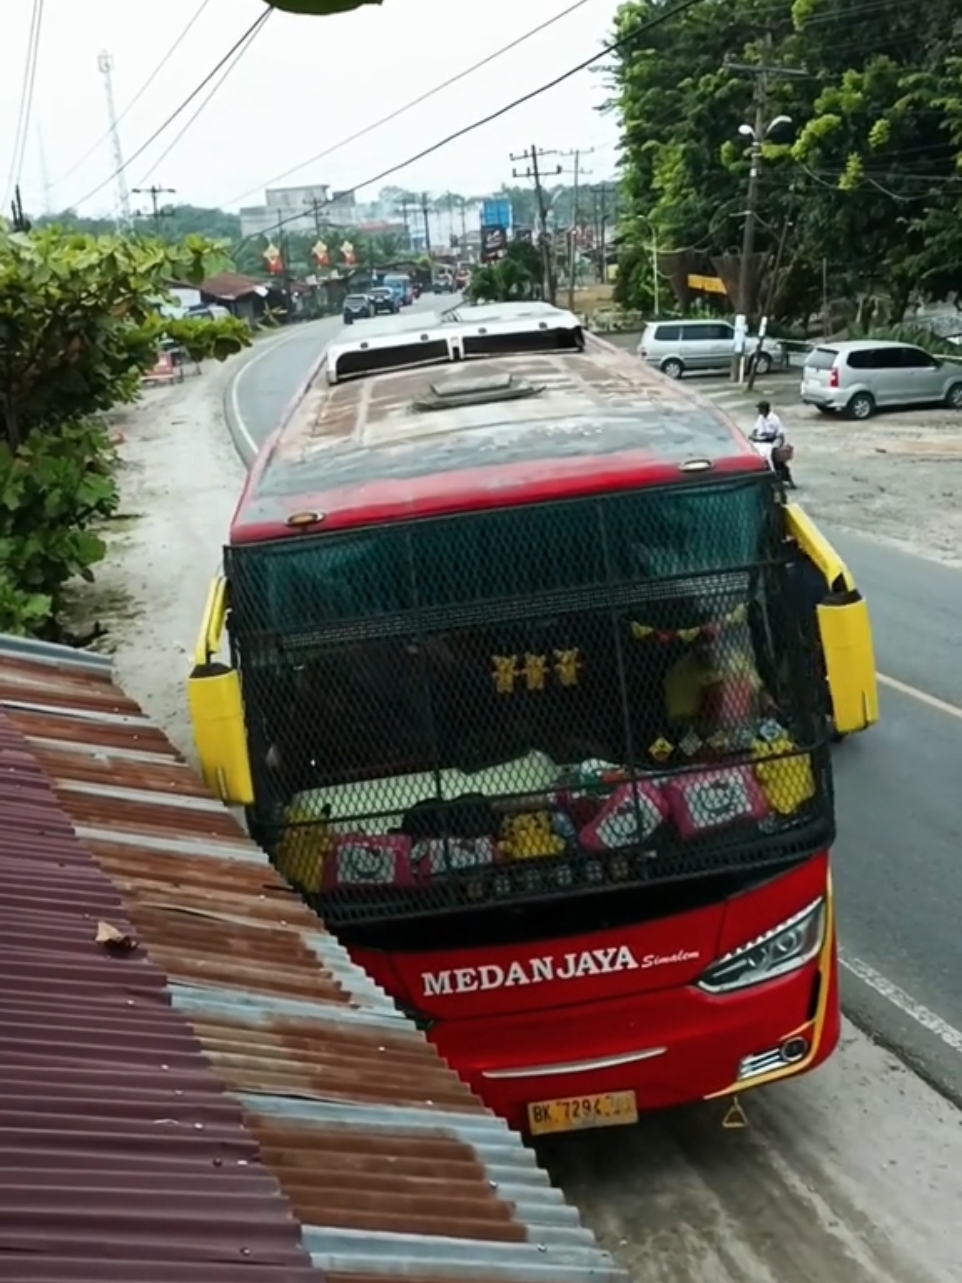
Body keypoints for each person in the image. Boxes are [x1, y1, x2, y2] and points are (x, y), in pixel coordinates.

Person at [750, 400, 795, 488]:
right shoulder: (760, 418)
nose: (758, 411)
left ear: (764, 409)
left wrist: (774, 441)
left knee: (773, 454)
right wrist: (753, 435)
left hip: (774, 439)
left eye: (760, 409)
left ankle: (777, 475)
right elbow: (755, 429)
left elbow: (779, 434)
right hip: (762, 439)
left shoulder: (774, 419)